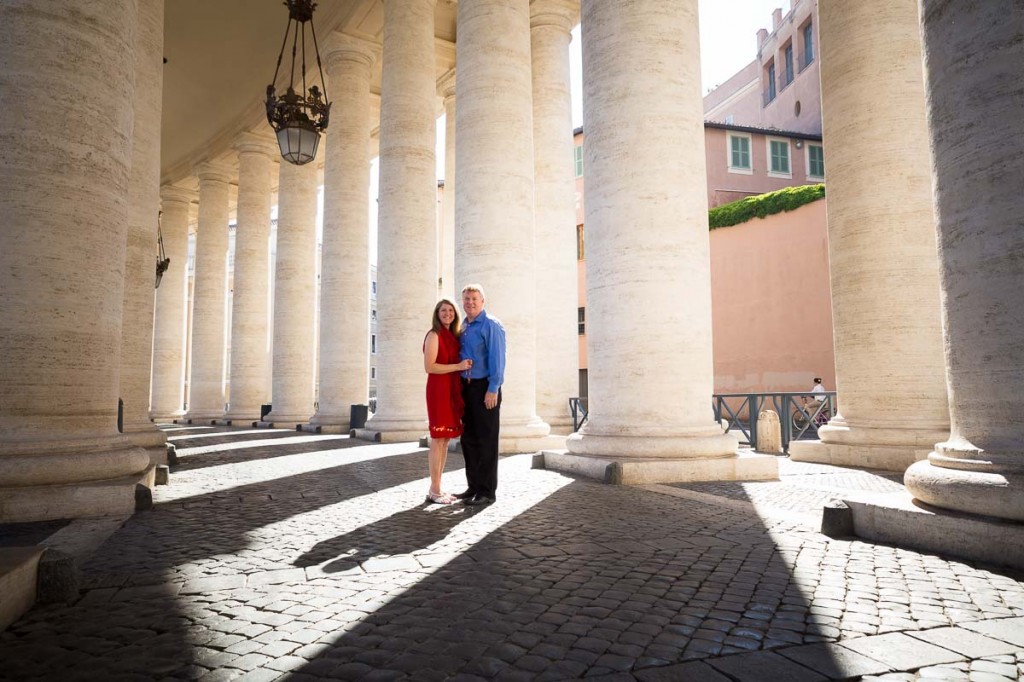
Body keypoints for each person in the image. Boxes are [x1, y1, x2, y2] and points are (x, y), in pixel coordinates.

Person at [455, 284, 506, 507]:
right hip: (466, 388)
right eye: (466, 299)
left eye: (474, 298)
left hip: (485, 388)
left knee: (486, 441)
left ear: (482, 301)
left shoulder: (491, 325)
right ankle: (473, 487)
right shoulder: (463, 326)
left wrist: (493, 388)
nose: (470, 302)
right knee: (469, 440)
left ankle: (487, 492)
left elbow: (498, 359)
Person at [422, 299, 472, 505]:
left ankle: (438, 487)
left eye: (451, 310)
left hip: (451, 390)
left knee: (444, 441)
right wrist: (458, 366)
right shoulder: (433, 335)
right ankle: (433, 490)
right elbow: (430, 367)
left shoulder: (453, 336)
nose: (447, 314)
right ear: (437, 313)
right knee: (437, 438)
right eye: (443, 310)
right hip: (438, 390)